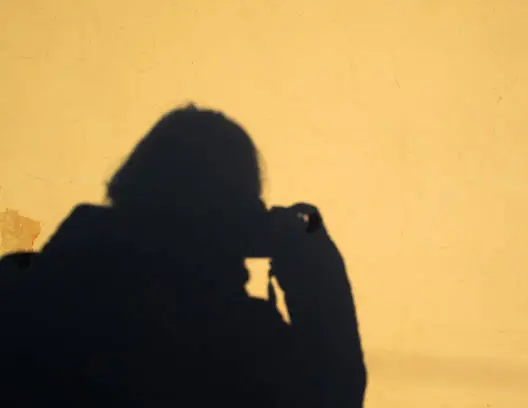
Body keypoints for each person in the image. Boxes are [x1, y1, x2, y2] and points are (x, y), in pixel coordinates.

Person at [0, 106, 366, 407]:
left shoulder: (21, 289)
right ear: (242, 220)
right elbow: (334, 396)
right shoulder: (245, 344)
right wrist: (317, 272)